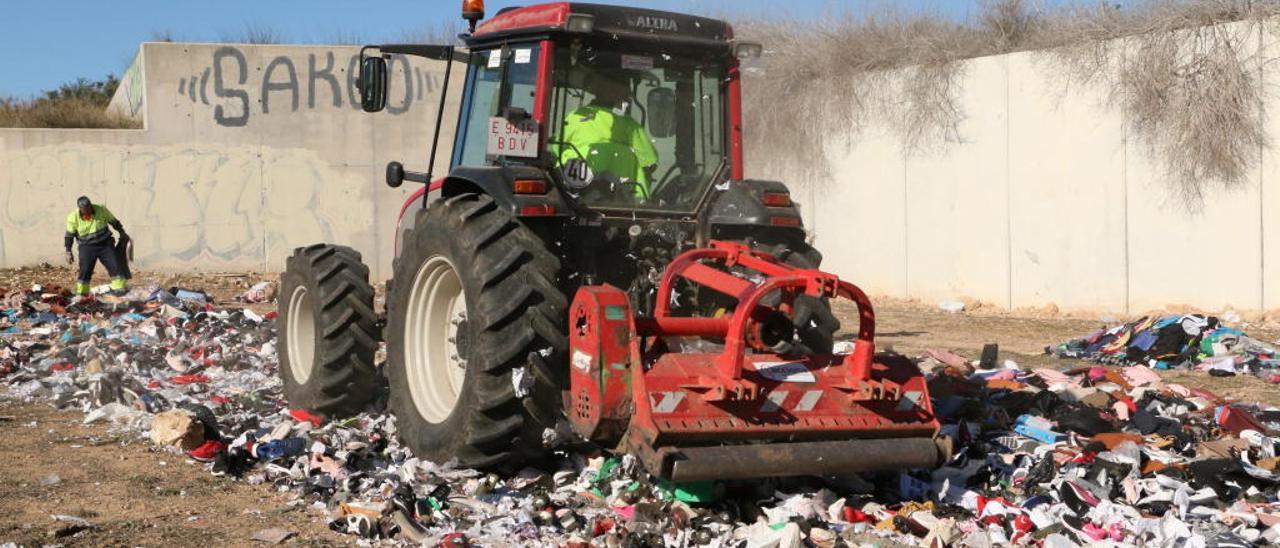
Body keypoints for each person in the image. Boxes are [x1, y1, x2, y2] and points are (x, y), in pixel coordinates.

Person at [557, 68, 659, 201]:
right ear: (616, 92)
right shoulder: (629, 125)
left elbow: (556, 151)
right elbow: (650, 161)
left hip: (574, 196)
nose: (627, 97)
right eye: (625, 92)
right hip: (624, 202)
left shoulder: (574, 117)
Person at [64, 196, 129, 296]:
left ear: (91, 205)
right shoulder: (73, 217)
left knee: (115, 265)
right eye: (85, 210)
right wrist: (68, 251)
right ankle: (82, 293)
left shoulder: (101, 210)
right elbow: (69, 235)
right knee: (85, 270)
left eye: (89, 208)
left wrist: (122, 232)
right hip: (87, 247)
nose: (88, 212)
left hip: (105, 245)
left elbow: (114, 222)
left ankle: (119, 288)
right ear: (80, 209)